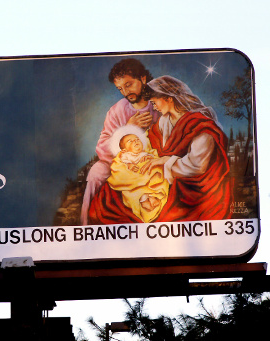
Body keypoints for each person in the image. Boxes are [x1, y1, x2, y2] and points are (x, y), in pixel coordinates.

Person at [88, 75, 231, 224]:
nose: (153, 107)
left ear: (169, 98)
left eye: (154, 102)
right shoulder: (164, 121)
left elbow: (197, 166)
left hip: (191, 186)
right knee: (108, 197)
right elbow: (149, 144)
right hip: (166, 177)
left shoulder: (200, 126)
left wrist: (164, 162)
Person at [80, 58, 160, 225]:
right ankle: (85, 228)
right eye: (120, 88)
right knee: (96, 172)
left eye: (128, 85)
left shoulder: (158, 104)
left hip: (152, 160)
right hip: (120, 161)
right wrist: (127, 128)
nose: (125, 92)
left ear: (143, 79)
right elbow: (102, 148)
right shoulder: (117, 111)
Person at [106, 126, 169, 223]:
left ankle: (153, 199)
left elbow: (153, 159)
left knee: (151, 190)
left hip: (148, 180)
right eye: (130, 141)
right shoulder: (125, 156)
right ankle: (145, 204)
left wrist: (147, 158)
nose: (135, 142)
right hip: (133, 184)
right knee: (135, 195)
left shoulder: (145, 153)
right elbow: (121, 166)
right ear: (124, 150)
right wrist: (130, 165)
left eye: (137, 139)